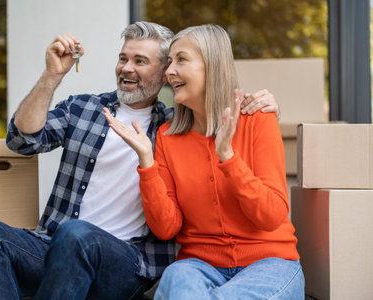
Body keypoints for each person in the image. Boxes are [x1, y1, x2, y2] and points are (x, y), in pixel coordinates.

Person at [0, 22, 280, 300]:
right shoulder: (82, 109)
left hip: (124, 262)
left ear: (166, 73)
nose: (127, 67)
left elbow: (213, 104)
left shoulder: (171, 130)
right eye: (123, 58)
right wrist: (52, 75)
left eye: (140, 61)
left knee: (77, 234)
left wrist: (260, 101)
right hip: (54, 251)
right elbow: (21, 140)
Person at [104, 24, 304, 300]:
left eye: (181, 60)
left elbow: (271, 216)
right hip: (199, 265)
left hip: (269, 263)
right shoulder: (167, 137)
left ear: (212, 65)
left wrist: (229, 159)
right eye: (169, 62)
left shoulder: (258, 120)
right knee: (178, 280)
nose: (169, 71)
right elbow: (166, 228)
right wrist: (147, 164)